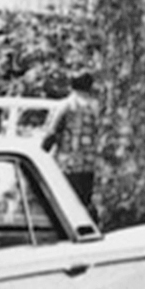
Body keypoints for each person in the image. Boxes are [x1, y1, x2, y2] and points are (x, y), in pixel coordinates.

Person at [44, 70, 102, 212]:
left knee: (66, 206)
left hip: (68, 164)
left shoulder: (66, 105)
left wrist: (42, 154)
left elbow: (51, 133)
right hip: (91, 164)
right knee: (84, 204)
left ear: (71, 85)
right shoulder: (97, 107)